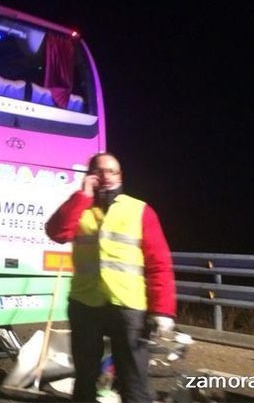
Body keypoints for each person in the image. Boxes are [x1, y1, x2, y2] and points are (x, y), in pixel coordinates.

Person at [45, 152, 176, 403]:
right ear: (89, 175)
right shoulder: (79, 207)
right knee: (84, 377)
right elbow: (57, 232)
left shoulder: (140, 210)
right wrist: (83, 195)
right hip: (85, 304)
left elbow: (159, 263)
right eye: (98, 171)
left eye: (111, 171)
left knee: (133, 379)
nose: (105, 176)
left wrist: (163, 311)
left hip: (128, 307)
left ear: (120, 176)